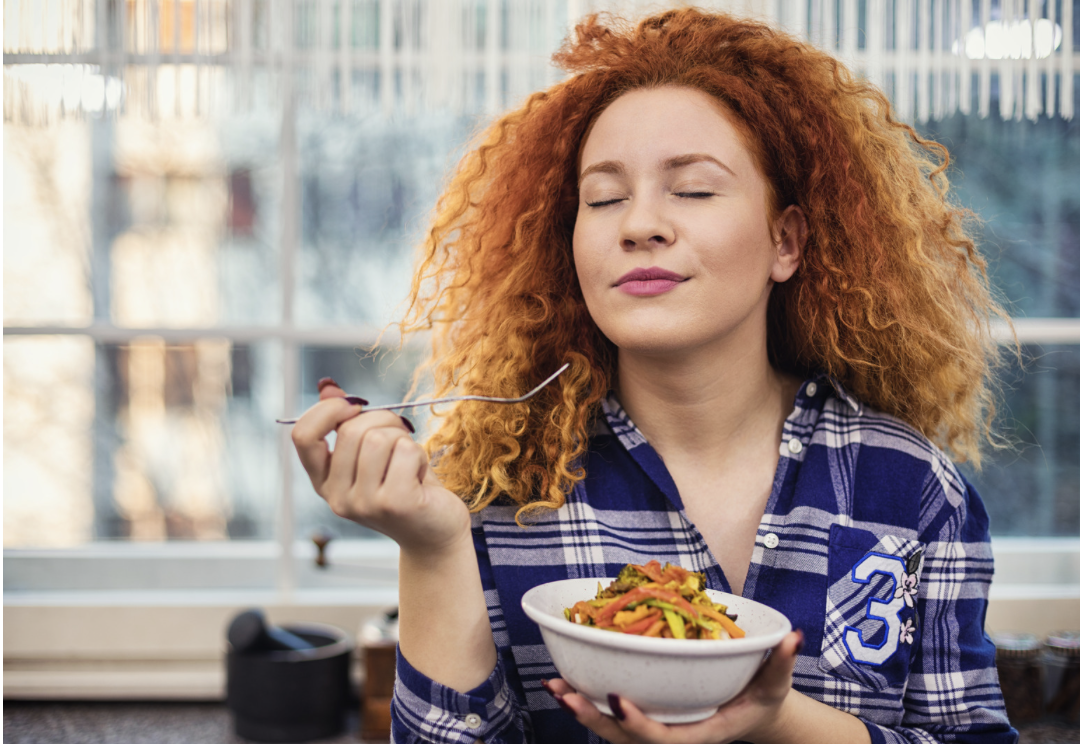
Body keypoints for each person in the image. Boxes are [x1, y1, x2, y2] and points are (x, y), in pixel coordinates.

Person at [291, 8, 1019, 744]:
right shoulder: (498, 491)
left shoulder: (911, 488)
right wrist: (431, 549)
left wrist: (772, 721)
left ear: (786, 241)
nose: (638, 224)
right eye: (603, 198)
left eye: (694, 190)